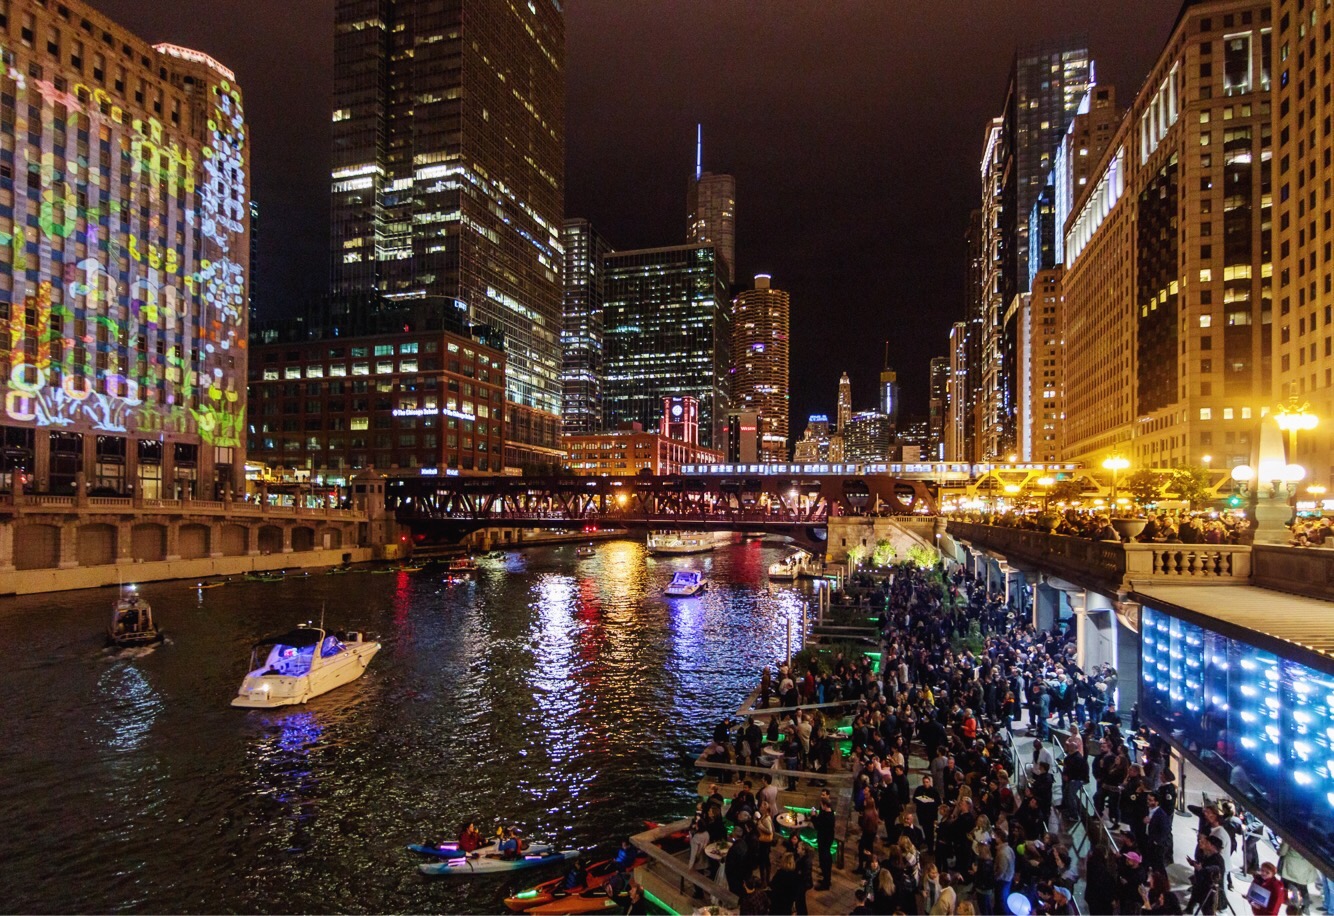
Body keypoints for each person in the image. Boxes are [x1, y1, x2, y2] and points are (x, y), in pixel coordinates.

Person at [813, 796, 836, 890]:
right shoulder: (830, 813)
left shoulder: (825, 816)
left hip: (824, 840)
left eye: (821, 805)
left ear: (825, 805)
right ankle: (826, 879)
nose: (820, 806)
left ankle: (826, 884)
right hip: (828, 839)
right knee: (825, 859)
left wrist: (813, 816)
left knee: (824, 861)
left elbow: (817, 826)